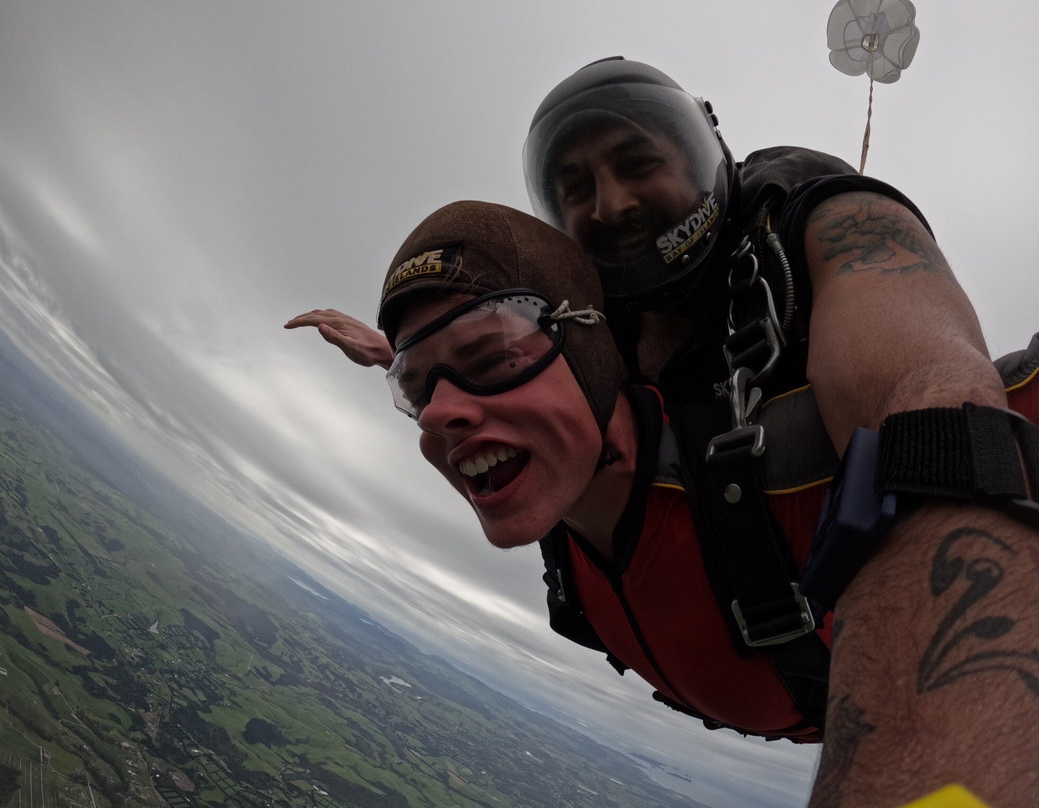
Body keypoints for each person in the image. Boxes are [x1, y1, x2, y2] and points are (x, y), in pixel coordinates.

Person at [289, 59, 1039, 807]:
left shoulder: (834, 226)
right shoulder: (595, 333)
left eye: (637, 162)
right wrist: (422, 362)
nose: (611, 203)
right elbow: (527, 372)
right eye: (575, 188)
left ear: (701, 152)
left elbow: (926, 400)